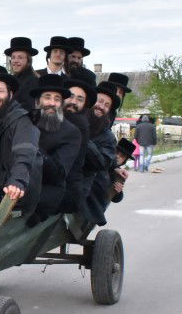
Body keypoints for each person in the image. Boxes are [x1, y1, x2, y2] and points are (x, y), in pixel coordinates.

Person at [0, 65, 42, 219]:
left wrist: (17, 181)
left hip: (12, 191)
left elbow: (24, 153)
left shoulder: (22, 120)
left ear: (10, 94)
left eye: (0, 91)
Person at [29, 73, 81, 223]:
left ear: (61, 104)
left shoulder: (71, 132)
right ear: (37, 101)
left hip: (46, 191)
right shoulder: (25, 121)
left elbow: (58, 173)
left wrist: (33, 148)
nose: (52, 103)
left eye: (57, 99)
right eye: (47, 97)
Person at [81, 80, 121, 226]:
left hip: (90, 188)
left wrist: (84, 138)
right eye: (99, 101)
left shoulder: (108, 138)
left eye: (107, 105)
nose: (101, 106)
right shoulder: (74, 121)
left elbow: (102, 163)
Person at [59, 71, 95, 214]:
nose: (73, 102)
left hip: (65, 190)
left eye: (80, 99)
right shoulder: (56, 117)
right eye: (71, 96)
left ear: (85, 104)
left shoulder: (79, 124)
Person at [3, 36, 39, 110]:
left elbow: (28, 109)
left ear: (28, 61)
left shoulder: (32, 81)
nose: (15, 61)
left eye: (20, 57)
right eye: (13, 57)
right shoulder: (11, 80)